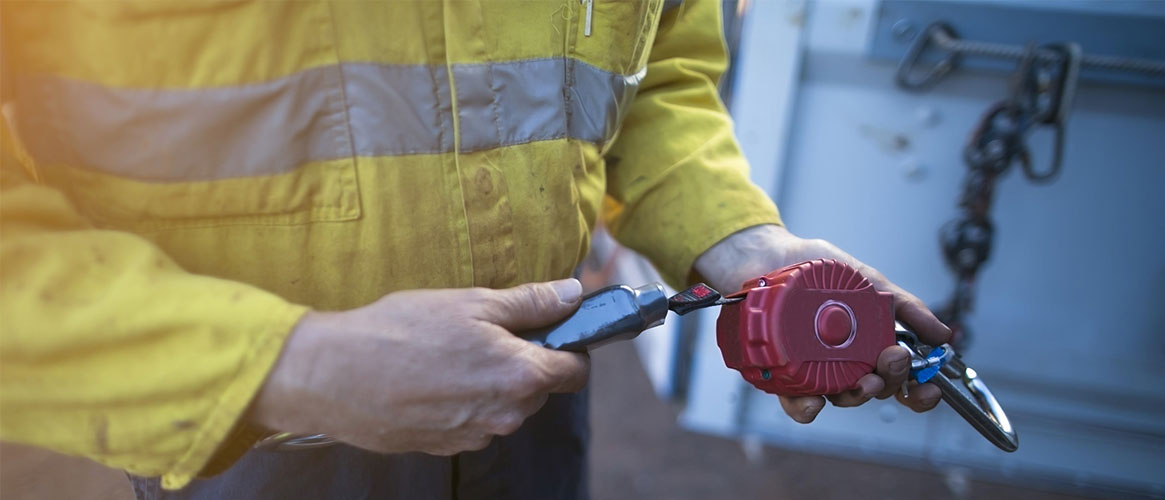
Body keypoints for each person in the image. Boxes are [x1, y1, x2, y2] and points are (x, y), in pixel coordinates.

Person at [0, 0, 950, 498]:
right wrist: (290, 366)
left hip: (536, 404)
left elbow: (652, 70)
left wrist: (736, 236)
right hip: (259, 441)